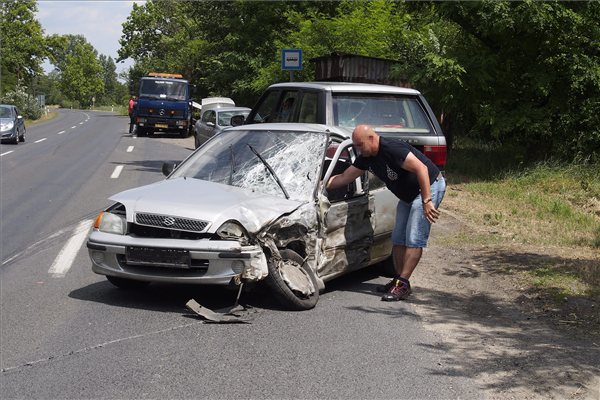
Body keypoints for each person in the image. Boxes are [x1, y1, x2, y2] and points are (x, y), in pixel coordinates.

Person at [326, 124, 446, 301]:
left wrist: (427, 201)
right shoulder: (366, 157)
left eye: (360, 145)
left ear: (372, 139)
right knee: (398, 238)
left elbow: (422, 169)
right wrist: (319, 185)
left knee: (414, 238)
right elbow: (345, 177)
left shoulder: (392, 149)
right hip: (408, 195)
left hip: (428, 187)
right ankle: (399, 281)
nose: (358, 149)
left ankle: (403, 284)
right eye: (355, 146)